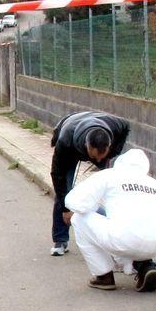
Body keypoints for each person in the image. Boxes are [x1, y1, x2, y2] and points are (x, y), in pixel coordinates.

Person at [63, 149, 156, 292]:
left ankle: (104, 276)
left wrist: (95, 207)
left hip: (122, 240)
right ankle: (145, 265)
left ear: (119, 163)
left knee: (79, 218)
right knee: (129, 231)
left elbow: (75, 201)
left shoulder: (109, 175)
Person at [48, 109, 130, 256]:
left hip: (95, 124)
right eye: (95, 156)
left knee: (112, 189)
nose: (98, 161)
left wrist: (112, 154)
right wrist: (67, 209)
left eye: (102, 155)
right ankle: (60, 240)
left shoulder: (115, 125)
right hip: (71, 139)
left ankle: (113, 235)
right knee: (64, 191)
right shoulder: (65, 142)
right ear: (88, 146)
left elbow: (126, 126)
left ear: (108, 145)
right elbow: (56, 175)